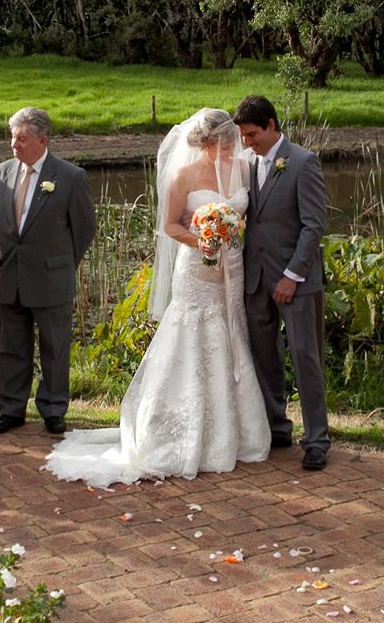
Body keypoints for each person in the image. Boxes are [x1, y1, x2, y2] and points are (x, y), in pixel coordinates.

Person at [46, 108, 269, 487]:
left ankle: (235, 433)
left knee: (231, 337)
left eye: (234, 143)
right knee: (193, 340)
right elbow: (168, 226)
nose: (233, 150)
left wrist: (232, 230)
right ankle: (179, 432)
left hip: (232, 270)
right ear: (207, 143)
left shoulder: (244, 169)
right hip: (196, 270)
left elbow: (248, 214)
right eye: (226, 144)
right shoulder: (183, 175)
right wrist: (203, 239)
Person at [233, 94, 331, 471]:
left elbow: (313, 226)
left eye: (252, 134)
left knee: (306, 358)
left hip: (296, 281)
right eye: (242, 135)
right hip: (255, 279)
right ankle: (277, 426)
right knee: (265, 357)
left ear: (272, 125)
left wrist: (292, 275)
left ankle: (317, 439)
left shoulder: (303, 163)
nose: (247, 142)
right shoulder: (244, 164)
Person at [0, 106, 96, 436]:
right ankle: (11, 409)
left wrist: (62, 264)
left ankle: (52, 409)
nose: (14, 144)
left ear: (42, 140)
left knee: (55, 347)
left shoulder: (70, 177)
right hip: (10, 275)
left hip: (52, 277)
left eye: (21, 138)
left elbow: (84, 229)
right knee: (11, 346)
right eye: (12, 137)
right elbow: (3, 222)